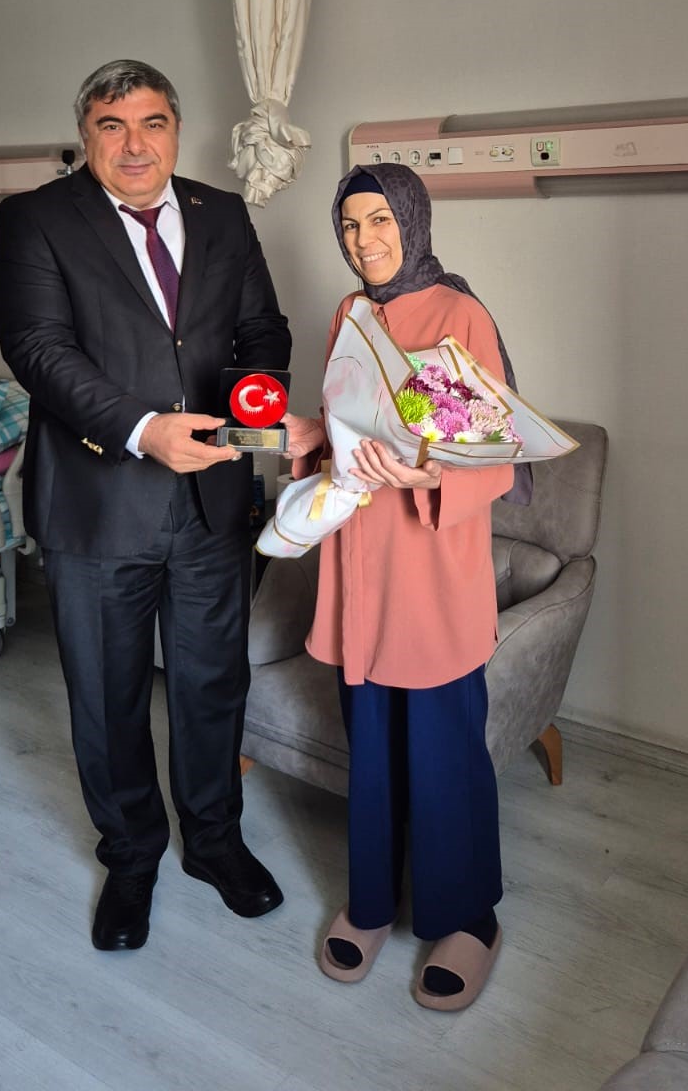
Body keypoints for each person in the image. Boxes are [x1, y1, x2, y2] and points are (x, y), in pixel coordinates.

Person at [0, 58, 291, 952]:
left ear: (176, 131)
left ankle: (215, 841)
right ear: (85, 135)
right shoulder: (38, 218)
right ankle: (130, 857)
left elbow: (261, 328)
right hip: (97, 502)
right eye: (112, 126)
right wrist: (141, 428)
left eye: (152, 123)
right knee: (108, 694)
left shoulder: (221, 213)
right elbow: (37, 348)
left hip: (212, 498)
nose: (134, 144)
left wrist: (255, 401)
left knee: (211, 683)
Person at [283, 162, 516, 1011]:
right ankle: (372, 900)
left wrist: (426, 475)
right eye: (349, 225)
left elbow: (491, 454)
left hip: (431, 567)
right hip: (359, 565)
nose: (364, 240)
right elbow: (350, 429)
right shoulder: (349, 314)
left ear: (412, 222)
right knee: (372, 747)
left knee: (445, 753)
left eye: (379, 220)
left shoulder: (458, 315)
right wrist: (309, 435)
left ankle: (467, 918)